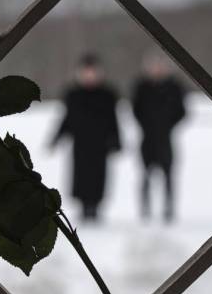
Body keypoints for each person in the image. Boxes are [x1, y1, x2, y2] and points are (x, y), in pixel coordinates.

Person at [51, 54, 121, 220]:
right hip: (81, 145)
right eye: (86, 72)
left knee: (98, 177)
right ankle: (84, 206)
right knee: (81, 177)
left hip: (100, 145)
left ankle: (95, 206)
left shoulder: (107, 95)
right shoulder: (73, 95)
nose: (89, 75)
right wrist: (56, 138)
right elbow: (67, 120)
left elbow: (113, 121)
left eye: (93, 72)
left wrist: (116, 141)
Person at [132, 52, 186, 223]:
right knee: (145, 175)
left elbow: (182, 111)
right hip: (147, 139)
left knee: (168, 175)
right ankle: (145, 209)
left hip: (165, 139)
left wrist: (168, 126)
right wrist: (146, 126)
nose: (157, 69)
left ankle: (168, 208)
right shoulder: (141, 87)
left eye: (160, 66)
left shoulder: (174, 87)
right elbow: (136, 109)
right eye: (153, 66)